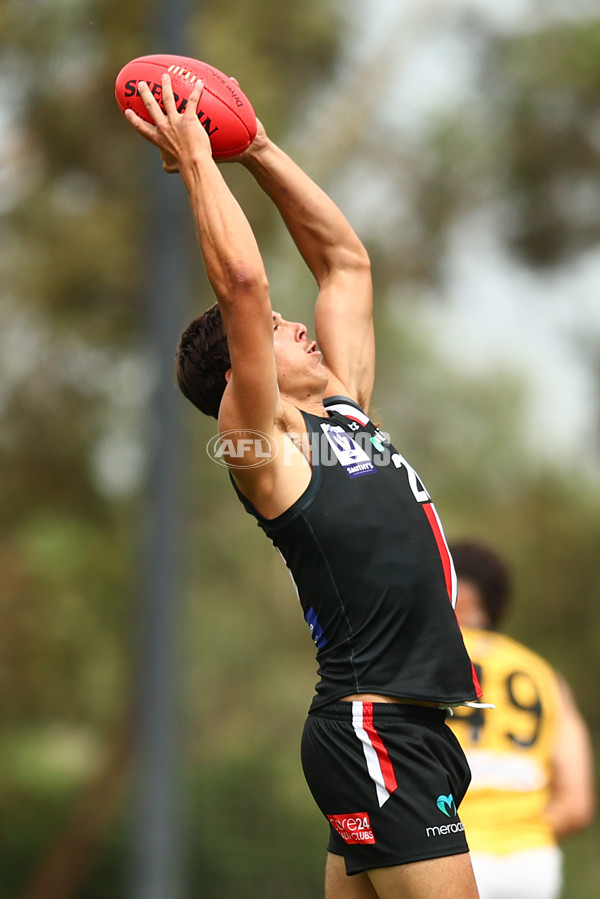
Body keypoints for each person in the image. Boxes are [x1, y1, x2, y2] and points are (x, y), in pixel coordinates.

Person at [125, 73, 485, 898]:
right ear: (238, 376)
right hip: (375, 726)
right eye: (279, 331)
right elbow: (244, 290)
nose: (297, 324)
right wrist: (197, 161)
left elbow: (346, 263)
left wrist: (253, 147)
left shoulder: (343, 415)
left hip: (408, 727)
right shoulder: (261, 444)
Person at [448, 539, 596, 899]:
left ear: (459, 595)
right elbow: (577, 805)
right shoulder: (545, 676)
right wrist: (520, 833)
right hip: (532, 865)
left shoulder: (424, 664)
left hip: (452, 856)